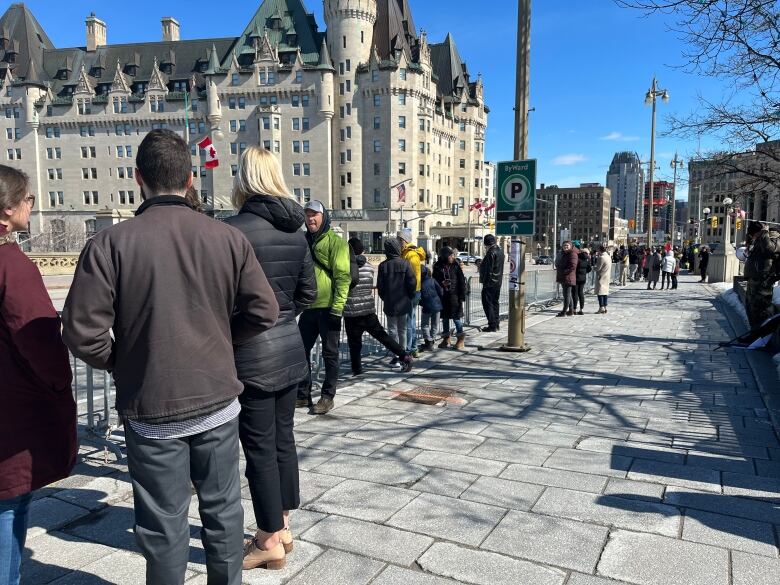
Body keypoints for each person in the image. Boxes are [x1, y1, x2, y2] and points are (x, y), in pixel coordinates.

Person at [62, 129, 280, 585]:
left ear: (138, 177)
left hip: (152, 404)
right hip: (218, 400)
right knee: (223, 515)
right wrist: (223, 338)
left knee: (163, 528)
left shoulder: (110, 243)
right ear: (188, 178)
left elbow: (82, 333)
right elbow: (264, 310)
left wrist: (126, 361)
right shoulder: (226, 238)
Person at [223, 147, 317, 571]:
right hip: (289, 349)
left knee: (259, 448)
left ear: (244, 177)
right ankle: (282, 523)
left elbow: (219, 301)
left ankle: (267, 539)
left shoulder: (231, 231)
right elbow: (308, 294)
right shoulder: (296, 232)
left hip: (251, 356)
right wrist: (282, 320)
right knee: (283, 440)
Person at [0, 166, 77, 585]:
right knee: (8, 505)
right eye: (27, 199)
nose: (32, 205)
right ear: (8, 210)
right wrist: (59, 385)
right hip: (12, 414)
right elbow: (39, 340)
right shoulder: (13, 266)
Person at [297, 200, 352, 414]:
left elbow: (342, 277)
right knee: (300, 352)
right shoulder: (302, 241)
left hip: (329, 308)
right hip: (308, 307)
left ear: (323, 217)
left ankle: (327, 397)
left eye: (315, 215)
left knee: (330, 354)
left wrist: (337, 309)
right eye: (307, 214)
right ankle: (303, 395)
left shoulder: (335, 243)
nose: (310, 218)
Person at [343, 238, 412, 373]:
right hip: (368, 309)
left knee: (354, 343)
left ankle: (357, 369)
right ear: (362, 250)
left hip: (351, 310)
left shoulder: (345, 267)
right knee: (383, 336)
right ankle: (404, 355)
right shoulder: (369, 267)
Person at [377, 237, 417, 363]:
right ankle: (404, 353)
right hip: (403, 300)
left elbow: (380, 287)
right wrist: (409, 296)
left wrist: (385, 297)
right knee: (403, 330)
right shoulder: (405, 263)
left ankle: (395, 354)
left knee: (392, 330)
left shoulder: (383, 266)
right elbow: (412, 282)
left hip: (390, 301)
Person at [744, 221, 780, 327]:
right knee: (751, 307)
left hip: (764, 279)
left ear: (758, 232)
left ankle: (762, 336)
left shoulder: (774, 237)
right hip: (755, 278)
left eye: (753, 234)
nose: (753, 237)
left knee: (762, 309)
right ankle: (754, 333)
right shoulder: (761, 239)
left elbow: (771, 251)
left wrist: (764, 233)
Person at [399, 228, 426, 356]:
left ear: (404, 240)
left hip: (412, 292)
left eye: (399, 239)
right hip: (412, 291)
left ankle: (409, 349)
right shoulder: (406, 253)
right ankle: (413, 347)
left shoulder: (411, 255)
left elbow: (413, 276)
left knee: (409, 322)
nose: (398, 242)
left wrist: (410, 290)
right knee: (411, 320)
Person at [433, 247, 467, 349]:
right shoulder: (438, 266)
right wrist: (441, 283)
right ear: (445, 256)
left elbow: (462, 282)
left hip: (454, 296)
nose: (452, 257)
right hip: (443, 296)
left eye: (453, 255)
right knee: (445, 318)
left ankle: (460, 339)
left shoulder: (455, 266)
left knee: (456, 318)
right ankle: (446, 339)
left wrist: (462, 296)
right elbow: (434, 280)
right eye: (450, 255)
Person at [478, 233, 505, 331]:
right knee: (495, 303)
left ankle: (492, 325)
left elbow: (489, 270)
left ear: (486, 243)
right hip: (498, 282)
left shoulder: (491, 253)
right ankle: (496, 324)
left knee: (487, 303)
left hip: (490, 283)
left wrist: (485, 283)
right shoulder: (500, 252)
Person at [419, 264, 444, 351]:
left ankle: (428, 341)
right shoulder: (432, 280)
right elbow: (440, 291)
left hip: (427, 306)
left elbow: (419, 296)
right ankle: (432, 340)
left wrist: (421, 303)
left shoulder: (420, 284)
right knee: (434, 324)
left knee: (425, 324)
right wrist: (440, 300)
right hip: (437, 305)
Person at [556, 241, 578, 317]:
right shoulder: (565, 254)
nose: (565, 247)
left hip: (568, 277)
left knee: (566, 295)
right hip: (564, 277)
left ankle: (564, 312)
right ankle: (571, 311)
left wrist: (564, 272)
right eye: (564, 245)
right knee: (568, 295)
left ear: (571, 246)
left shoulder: (572, 254)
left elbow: (573, 266)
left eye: (567, 245)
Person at [572, 246, 591, 315]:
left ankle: (574, 309)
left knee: (575, 294)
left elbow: (574, 267)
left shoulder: (577, 258)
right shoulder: (587, 259)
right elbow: (589, 269)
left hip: (576, 277)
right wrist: (584, 272)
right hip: (583, 278)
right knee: (581, 293)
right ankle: (581, 309)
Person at [595, 244, 612, 314]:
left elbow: (598, 268)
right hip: (607, 276)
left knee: (600, 292)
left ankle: (601, 307)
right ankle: (605, 307)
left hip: (601, 276)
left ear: (600, 250)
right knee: (605, 293)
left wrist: (594, 268)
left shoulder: (601, 257)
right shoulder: (608, 256)